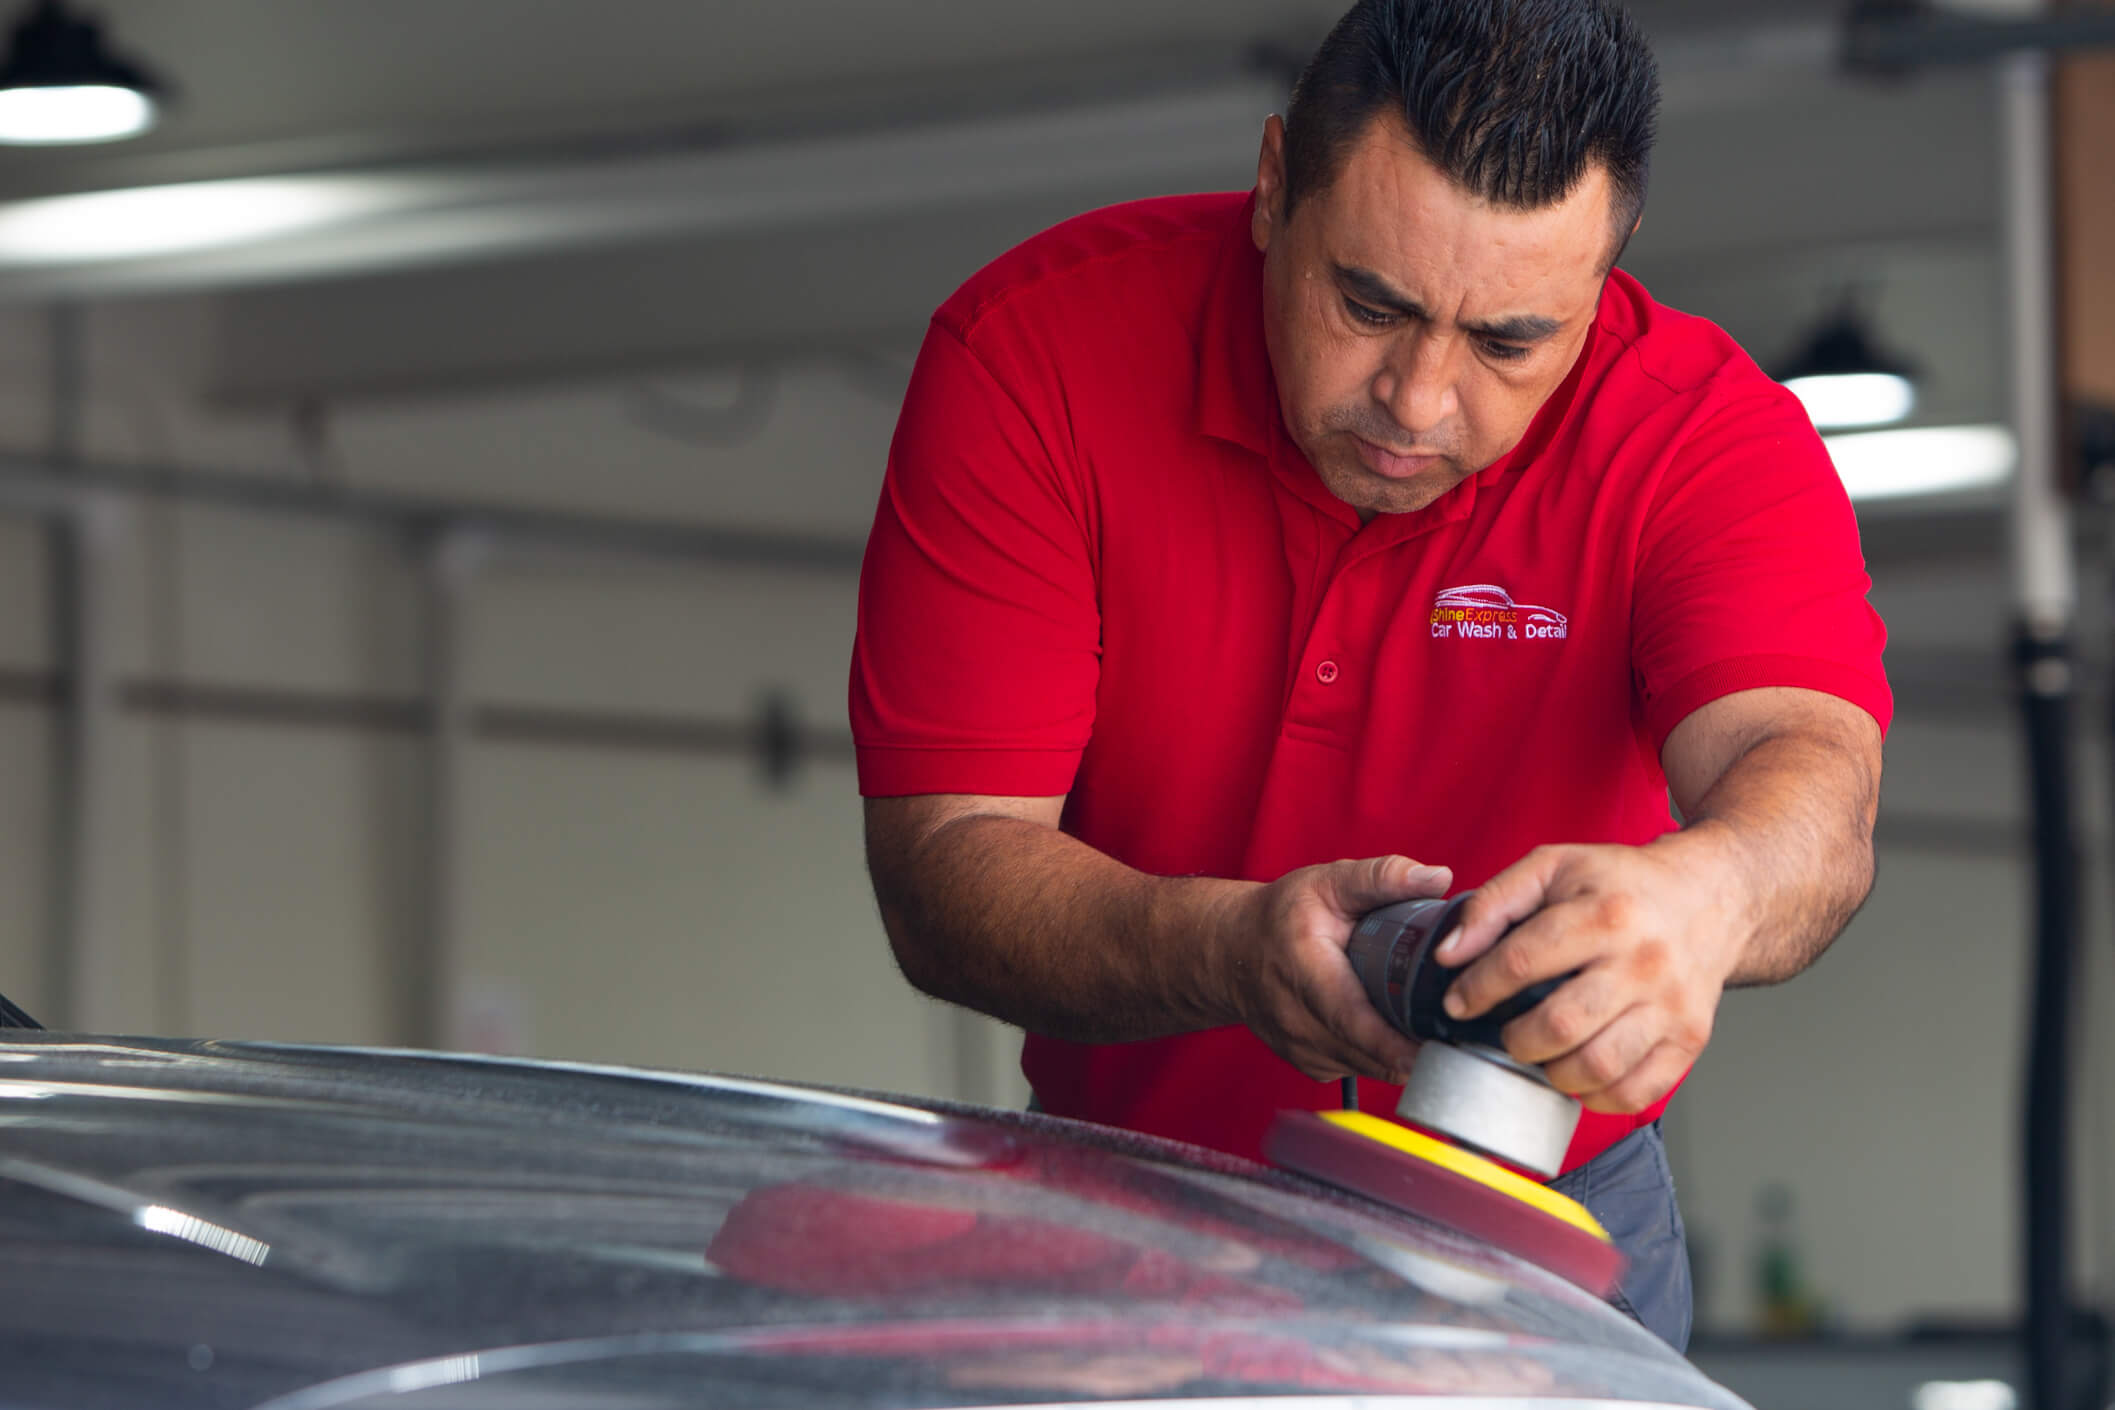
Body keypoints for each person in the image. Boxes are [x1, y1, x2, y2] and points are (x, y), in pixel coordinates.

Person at [848, 0, 1888, 1351]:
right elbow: (945, 869)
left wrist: (1714, 894)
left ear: (1606, 268)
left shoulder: (1703, 438)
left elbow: (1806, 781)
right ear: (1274, 185)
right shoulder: (1034, 358)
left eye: (1509, 340)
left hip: (1548, 1211)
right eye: (1370, 305)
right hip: (1121, 1199)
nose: (1417, 398)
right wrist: (1223, 950)